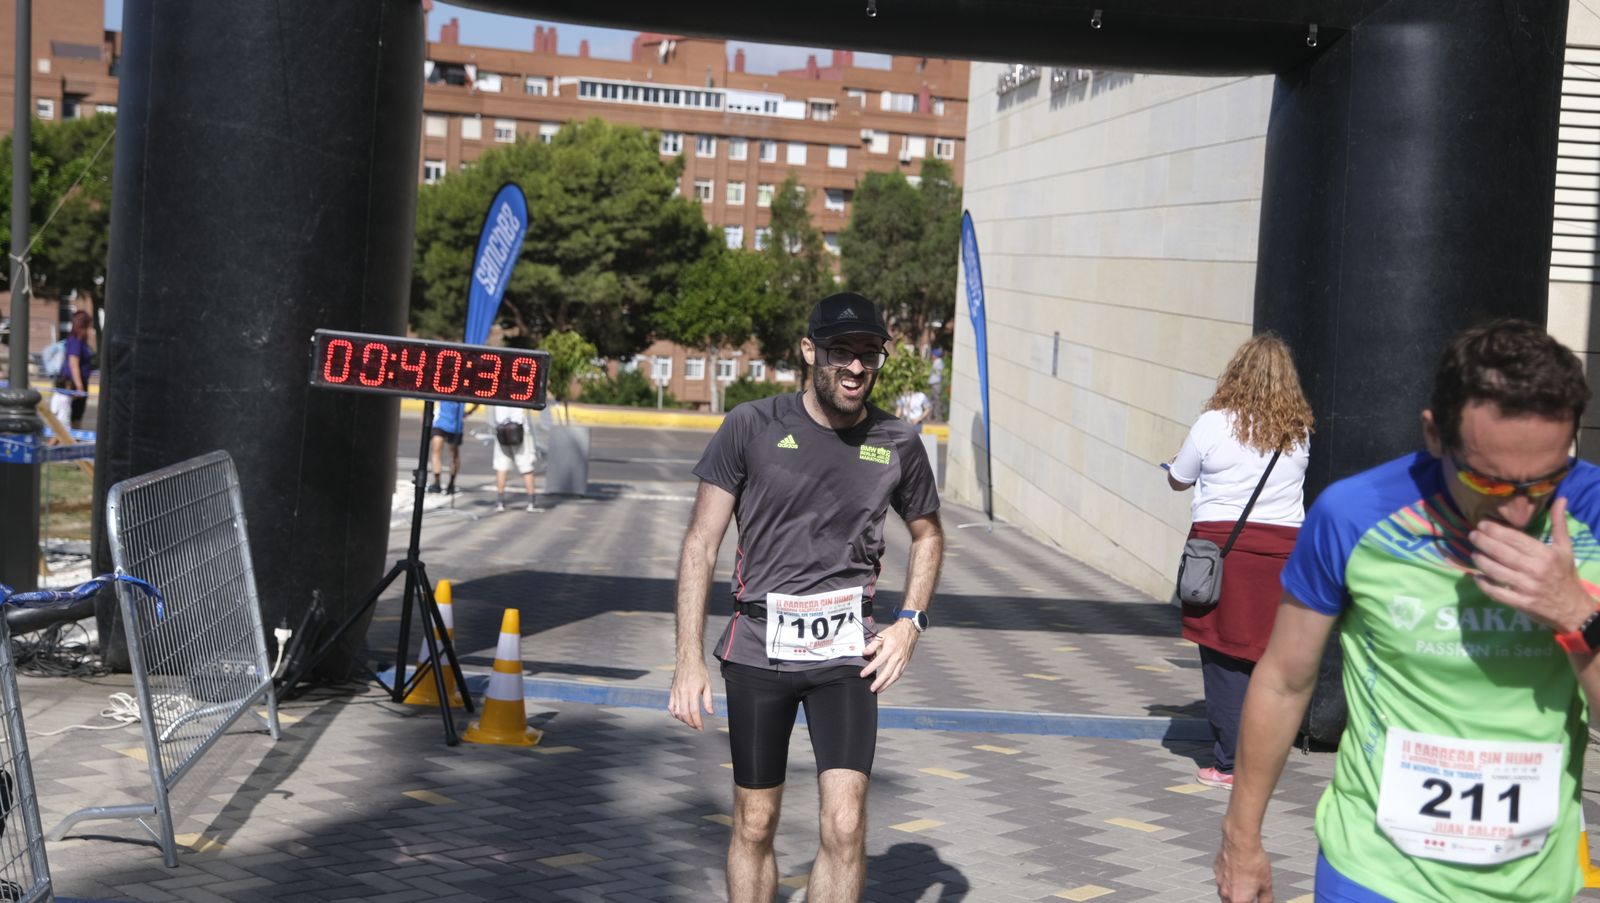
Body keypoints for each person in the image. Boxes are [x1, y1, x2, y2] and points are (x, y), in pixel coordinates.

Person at [1214, 320, 1599, 903]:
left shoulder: (1592, 515)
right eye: (1488, 481)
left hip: (1534, 882)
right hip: (1375, 872)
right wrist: (1241, 842)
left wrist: (1576, 616)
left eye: (1545, 481)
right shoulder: (1353, 514)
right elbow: (1284, 681)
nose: (1520, 512)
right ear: (1435, 434)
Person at [668, 291, 944, 903]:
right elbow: (699, 544)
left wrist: (909, 624)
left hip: (847, 655)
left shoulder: (897, 442)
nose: (855, 368)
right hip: (757, 651)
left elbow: (927, 536)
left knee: (845, 825)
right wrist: (687, 660)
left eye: (869, 354)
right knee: (755, 821)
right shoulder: (751, 425)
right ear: (808, 350)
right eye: (842, 352)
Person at [1166, 334, 1312, 791]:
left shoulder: (1212, 424)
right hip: (1284, 553)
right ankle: (1264, 755)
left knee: (1224, 657)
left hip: (1222, 554)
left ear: (1236, 373)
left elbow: (1179, 479)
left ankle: (1230, 764)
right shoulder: (1298, 431)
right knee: (1266, 657)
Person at [489, 404, 540, 512]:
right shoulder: (521, 389)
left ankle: (500, 502)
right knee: (526, 466)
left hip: (501, 429)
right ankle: (531, 503)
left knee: (501, 466)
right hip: (519, 429)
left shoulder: (499, 389)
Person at [51, 310, 94, 429]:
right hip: (72, 385)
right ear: (83, 326)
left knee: (75, 418)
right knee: (66, 420)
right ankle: (57, 444)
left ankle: (72, 443)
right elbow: (73, 363)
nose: (90, 330)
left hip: (77, 383)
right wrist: (79, 386)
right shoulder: (76, 341)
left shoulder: (80, 341)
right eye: (88, 326)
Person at [427, 401, 466, 494]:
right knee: (436, 451)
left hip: (455, 426)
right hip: (441, 423)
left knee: (454, 455)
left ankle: (451, 483)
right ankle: (437, 482)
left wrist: (469, 412)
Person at [928, 347, 944, 421]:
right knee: (933, 400)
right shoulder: (936, 361)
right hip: (934, 383)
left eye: (933, 354)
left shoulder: (939, 361)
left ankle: (937, 417)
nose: (932, 355)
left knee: (936, 400)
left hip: (936, 383)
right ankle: (933, 416)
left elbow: (938, 372)